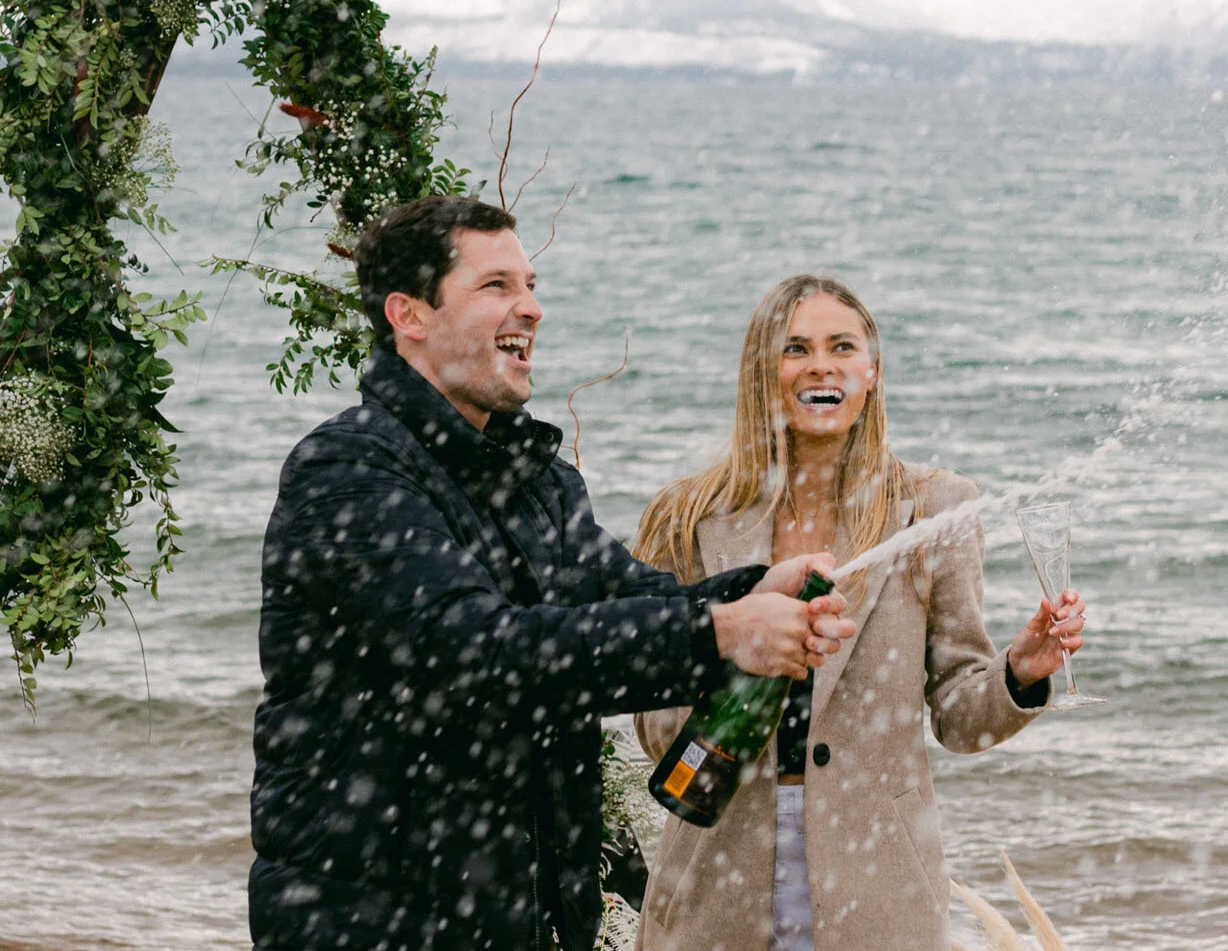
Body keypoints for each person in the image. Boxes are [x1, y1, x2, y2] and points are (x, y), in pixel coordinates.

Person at [249, 197, 857, 951]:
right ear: (409, 316)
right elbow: (477, 652)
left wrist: (750, 594)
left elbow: (636, 603)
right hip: (370, 919)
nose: (531, 308)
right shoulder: (347, 472)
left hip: (525, 920)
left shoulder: (536, 482)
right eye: (497, 286)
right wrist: (720, 635)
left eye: (531, 285)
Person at [631, 275, 1087, 951]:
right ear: (762, 373)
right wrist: (739, 658)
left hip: (879, 885)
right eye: (795, 349)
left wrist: (1021, 670)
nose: (821, 365)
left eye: (842, 346)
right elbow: (654, 722)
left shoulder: (936, 510)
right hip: (714, 875)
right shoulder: (687, 516)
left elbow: (960, 718)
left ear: (870, 372)